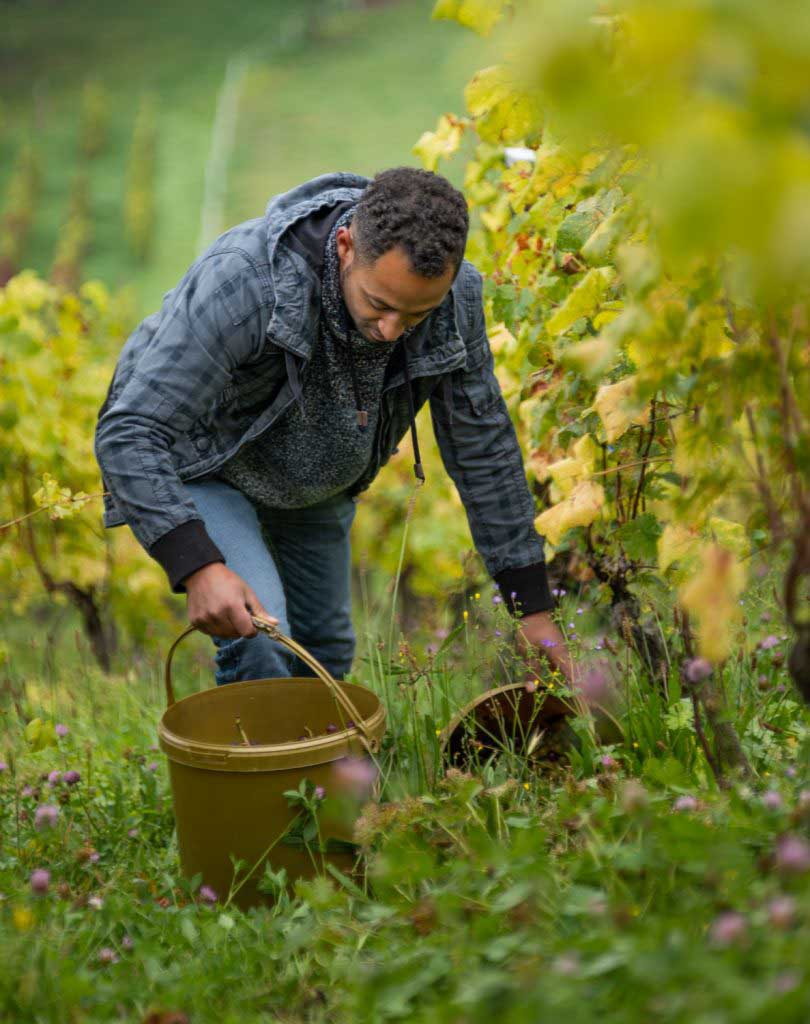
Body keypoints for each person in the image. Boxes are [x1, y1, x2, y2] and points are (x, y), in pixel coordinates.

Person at [94, 167, 572, 685]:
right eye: (380, 304)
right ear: (345, 246)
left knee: (324, 656)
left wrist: (532, 608)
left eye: (416, 315)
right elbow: (132, 429)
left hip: (311, 483)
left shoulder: (456, 303)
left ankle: (316, 767)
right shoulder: (248, 281)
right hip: (206, 464)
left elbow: (484, 450)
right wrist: (197, 564)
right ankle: (251, 765)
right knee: (258, 637)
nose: (392, 331)